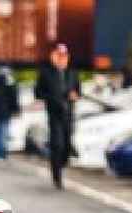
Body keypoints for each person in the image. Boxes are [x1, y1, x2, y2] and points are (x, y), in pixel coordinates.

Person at [34, 43, 80, 189]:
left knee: (67, 145)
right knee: (57, 144)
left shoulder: (72, 73)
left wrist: (75, 95)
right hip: (54, 114)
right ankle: (57, 176)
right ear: (53, 56)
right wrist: (50, 98)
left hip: (68, 113)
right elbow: (38, 92)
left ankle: (61, 163)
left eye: (64, 56)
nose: (62, 59)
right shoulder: (46, 73)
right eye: (59, 56)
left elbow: (78, 91)